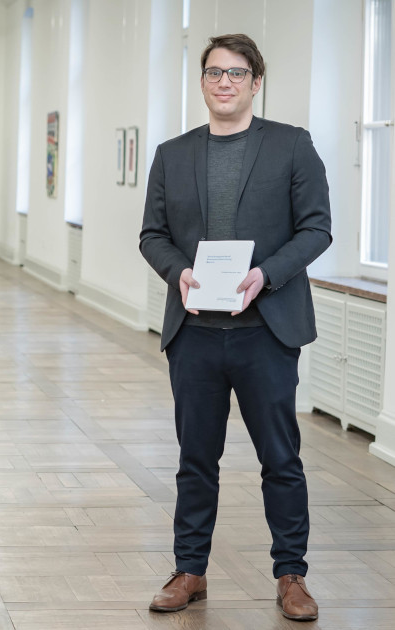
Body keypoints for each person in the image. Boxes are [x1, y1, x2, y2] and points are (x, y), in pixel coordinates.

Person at [139, 34, 330, 622]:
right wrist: (181, 272)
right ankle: (190, 570)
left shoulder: (293, 147)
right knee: (196, 457)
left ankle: (291, 575)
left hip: (265, 330)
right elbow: (152, 236)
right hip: (195, 331)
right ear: (202, 82)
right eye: (215, 72)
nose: (225, 82)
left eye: (237, 73)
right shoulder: (173, 153)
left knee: (281, 458)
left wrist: (265, 275)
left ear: (255, 82)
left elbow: (317, 229)